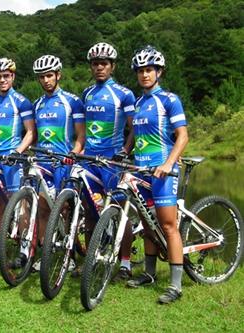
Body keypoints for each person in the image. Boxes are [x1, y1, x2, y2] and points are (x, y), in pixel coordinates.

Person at [126, 46, 188, 304]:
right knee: (147, 225)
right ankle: (149, 274)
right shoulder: (138, 103)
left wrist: (168, 164)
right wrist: (124, 151)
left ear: (159, 71)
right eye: (140, 71)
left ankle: (175, 285)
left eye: (149, 70)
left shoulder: (169, 100)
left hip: (163, 171)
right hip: (142, 170)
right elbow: (134, 134)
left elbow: (182, 136)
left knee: (167, 225)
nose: (144, 75)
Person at [80, 42, 136, 280]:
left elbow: (134, 128)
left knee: (120, 211)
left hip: (112, 162)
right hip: (89, 160)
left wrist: (124, 150)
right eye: (95, 64)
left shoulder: (124, 94)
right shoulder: (86, 93)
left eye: (104, 63)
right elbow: (82, 129)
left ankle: (125, 262)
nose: (99, 68)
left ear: (112, 66)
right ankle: (91, 258)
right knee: (90, 212)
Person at [0, 57, 35, 259]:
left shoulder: (21, 101)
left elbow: (30, 132)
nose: (2, 80)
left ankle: (24, 249)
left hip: (13, 159)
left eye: (6, 76)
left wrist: (17, 152)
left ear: (12, 77)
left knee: (19, 205)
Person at [31, 55, 85, 266]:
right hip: (43, 162)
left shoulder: (72, 101)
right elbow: (34, 135)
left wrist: (75, 153)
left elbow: (81, 134)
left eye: (49, 75)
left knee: (65, 211)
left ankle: (68, 257)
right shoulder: (37, 104)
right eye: (42, 77)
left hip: (64, 162)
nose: (46, 80)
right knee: (43, 209)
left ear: (58, 75)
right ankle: (46, 254)